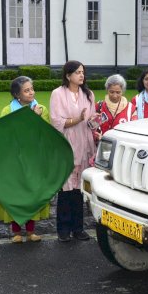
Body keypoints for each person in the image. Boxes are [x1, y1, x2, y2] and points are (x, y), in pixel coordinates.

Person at [0, 76, 51, 243]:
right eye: (26, 90)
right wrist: (30, 118)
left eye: (32, 89)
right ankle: (16, 232)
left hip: (34, 159)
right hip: (14, 159)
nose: (31, 92)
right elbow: (8, 135)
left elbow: (44, 134)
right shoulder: (7, 111)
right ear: (16, 94)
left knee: (32, 194)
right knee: (16, 194)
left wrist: (36, 118)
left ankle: (31, 231)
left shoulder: (41, 109)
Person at [50, 60, 96, 242]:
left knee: (79, 190)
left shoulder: (89, 94)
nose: (81, 75)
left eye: (83, 72)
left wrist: (95, 121)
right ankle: (63, 230)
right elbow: (56, 121)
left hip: (84, 143)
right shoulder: (58, 94)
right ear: (68, 75)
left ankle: (78, 229)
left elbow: (90, 121)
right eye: (77, 72)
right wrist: (77, 119)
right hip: (67, 144)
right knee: (66, 189)